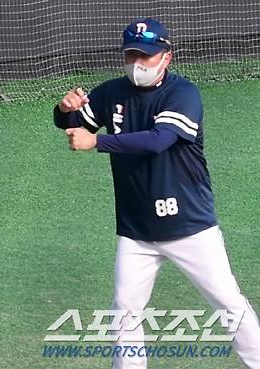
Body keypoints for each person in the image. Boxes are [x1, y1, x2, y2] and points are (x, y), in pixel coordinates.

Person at [53, 18, 260, 369]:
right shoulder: (111, 93)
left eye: (146, 56)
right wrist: (64, 112)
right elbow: (76, 129)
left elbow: (159, 139)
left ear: (167, 56)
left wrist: (97, 141)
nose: (138, 63)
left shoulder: (183, 94)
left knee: (228, 303)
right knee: (125, 311)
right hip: (137, 230)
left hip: (190, 226)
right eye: (131, 55)